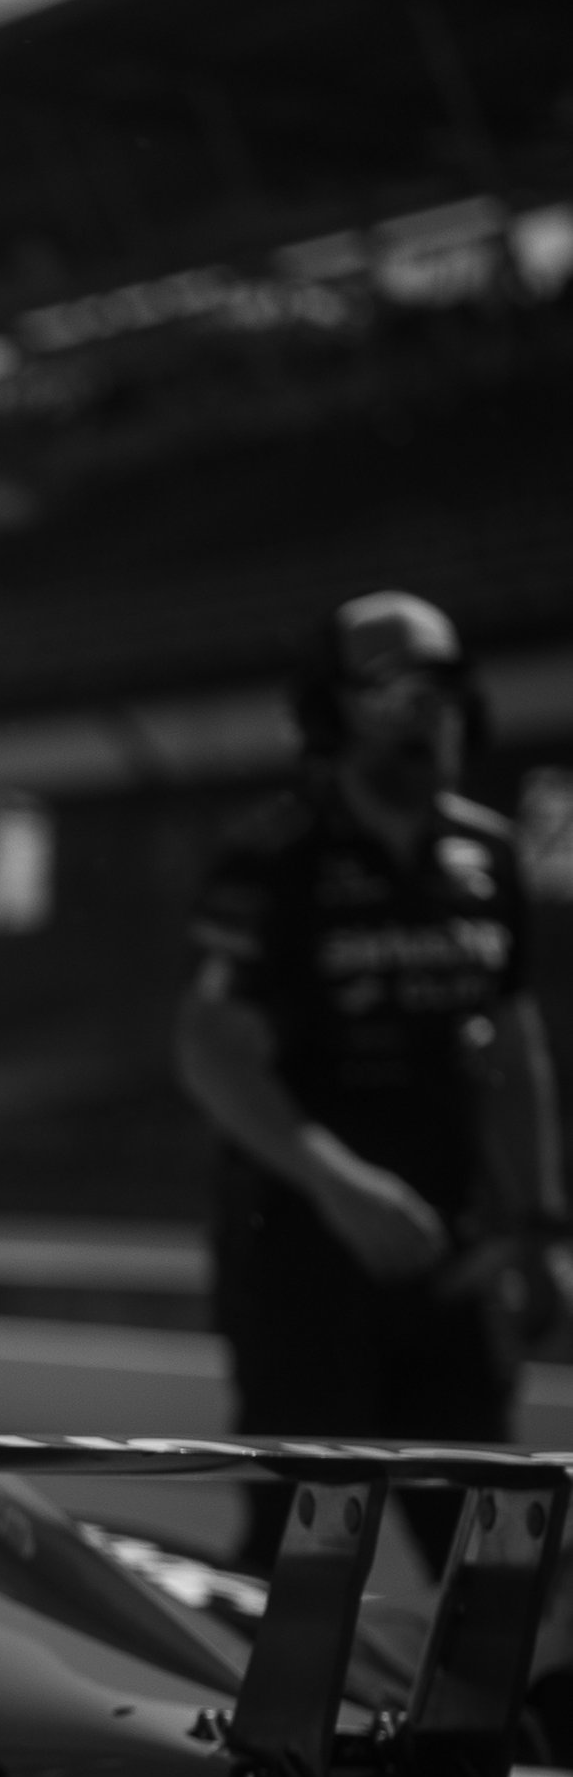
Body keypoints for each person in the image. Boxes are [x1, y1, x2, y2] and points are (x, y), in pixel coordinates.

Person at [176, 588, 570, 1574]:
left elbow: (512, 1043)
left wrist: (537, 1227)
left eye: (441, 680)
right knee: (300, 1557)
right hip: (302, 1253)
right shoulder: (271, 858)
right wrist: (336, 1181)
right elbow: (209, 1045)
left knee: (494, 1555)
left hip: (453, 1258)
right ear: (327, 706)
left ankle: (498, 1736)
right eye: (390, 681)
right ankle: (276, 1736)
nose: (424, 704)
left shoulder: (487, 853)